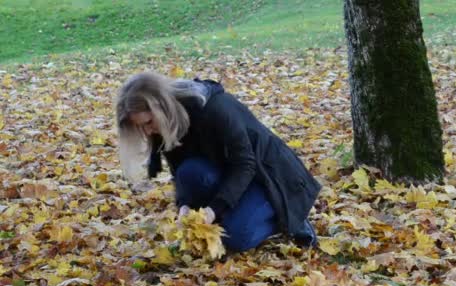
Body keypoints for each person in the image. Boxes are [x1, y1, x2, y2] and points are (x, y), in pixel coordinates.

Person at [115, 72, 320, 252]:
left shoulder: (214, 108)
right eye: (140, 127)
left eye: (148, 123)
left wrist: (214, 209)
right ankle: (237, 213)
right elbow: (179, 169)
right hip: (228, 172)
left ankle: (287, 216)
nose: (148, 131)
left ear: (162, 107)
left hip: (268, 176)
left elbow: (245, 164)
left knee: (236, 238)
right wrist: (184, 204)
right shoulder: (162, 125)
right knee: (190, 172)